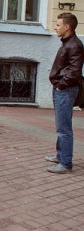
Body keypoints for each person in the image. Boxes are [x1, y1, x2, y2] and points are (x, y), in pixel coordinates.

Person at [45, 12, 84, 174]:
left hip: (65, 90)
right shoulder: (67, 42)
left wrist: (61, 85)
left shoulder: (74, 45)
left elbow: (75, 71)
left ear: (67, 27)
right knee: (61, 126)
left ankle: (66, 163)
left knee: (64, 128)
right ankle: (60, 156)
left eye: (58, 24)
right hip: (62, 88)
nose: (55, 27)